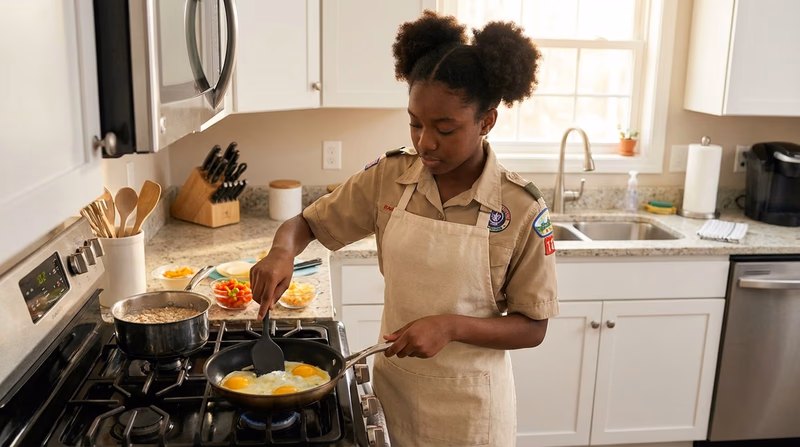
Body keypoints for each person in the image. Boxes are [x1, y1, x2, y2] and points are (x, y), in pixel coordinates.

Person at [251, 10, 557, 446]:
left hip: (472, 413)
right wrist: (282, 251)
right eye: (415, 123)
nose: (425, 141)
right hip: (392, 394)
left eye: (444, 128)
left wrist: (450, 326)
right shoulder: (390, 176)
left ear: (487, 121)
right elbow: (306, 223)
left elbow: (533, 326)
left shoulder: (520, 208)